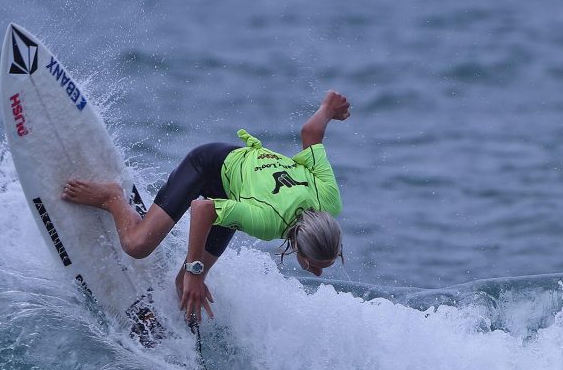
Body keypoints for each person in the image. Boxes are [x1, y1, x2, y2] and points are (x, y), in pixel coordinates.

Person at [62, 90, 350, 323]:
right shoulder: (269, 221)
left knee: (186, 288)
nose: (318, 274)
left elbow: (310, 134)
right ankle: (112, 198)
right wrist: (195, 271)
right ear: (300, 250)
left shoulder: (329, 201)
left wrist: (327, 108)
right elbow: (203, 209)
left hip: (237, 193)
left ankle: (169, 330)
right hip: (209, 166)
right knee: (138, 246)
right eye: (315, 267)